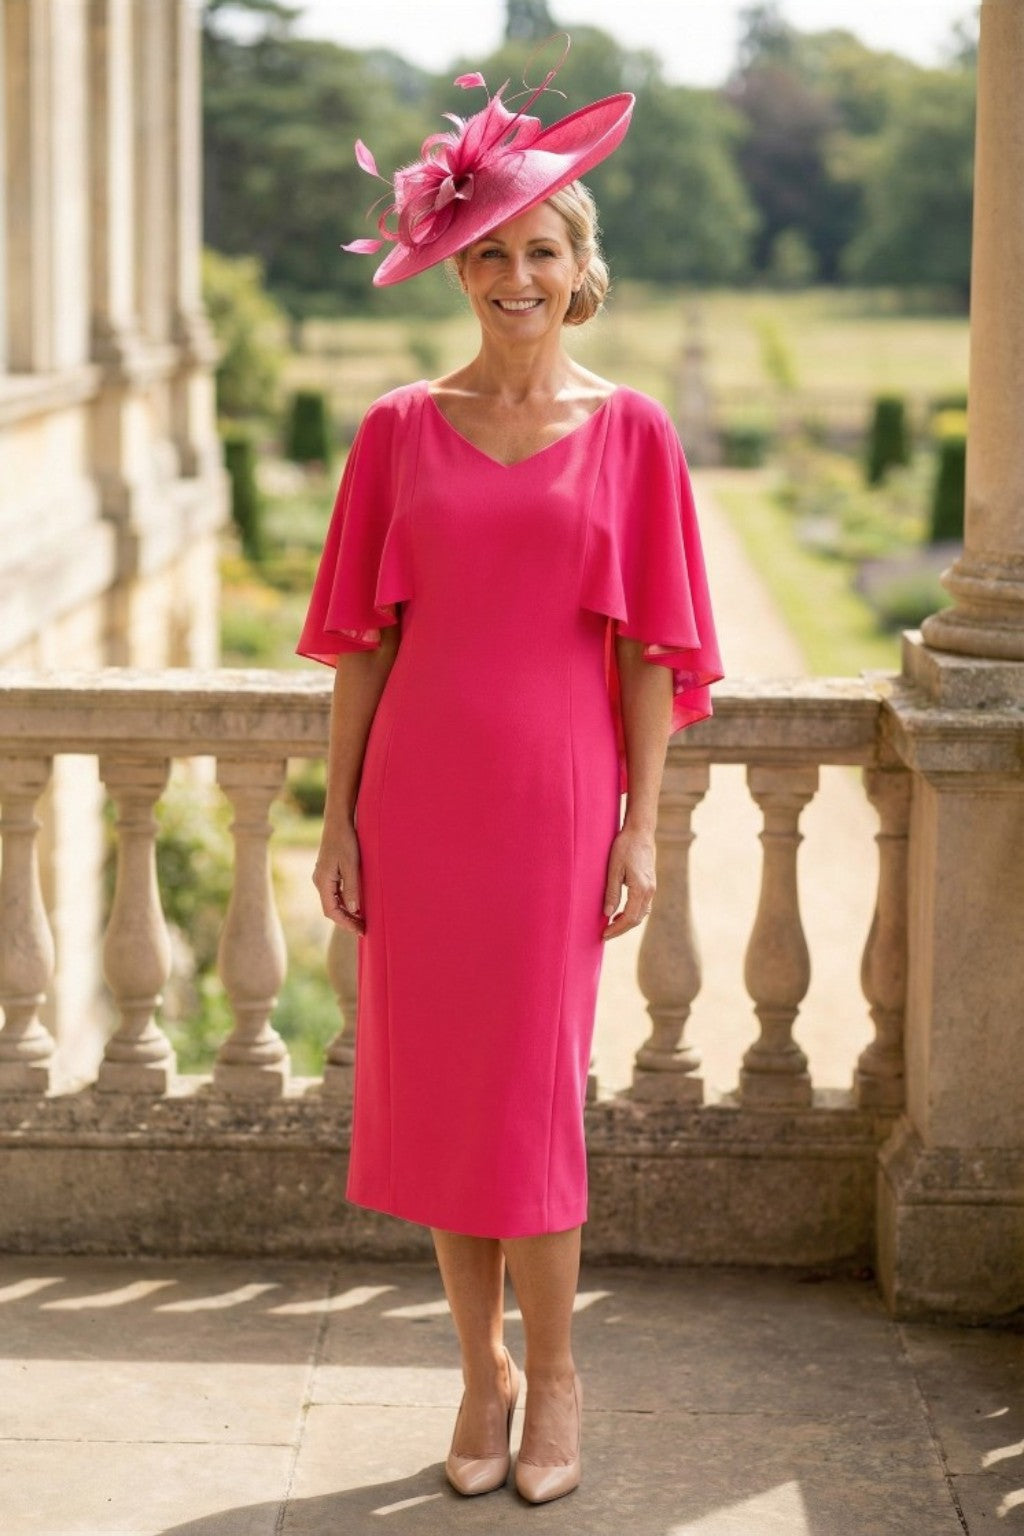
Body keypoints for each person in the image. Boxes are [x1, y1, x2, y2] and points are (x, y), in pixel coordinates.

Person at [297, 45, 722, 1506]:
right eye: (488, 254)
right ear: (456, 269)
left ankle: (557, 1378)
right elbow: (360, 646)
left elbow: (652, 662)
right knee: (440, 1104)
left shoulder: (635, 435)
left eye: (539, 250)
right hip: (417, 809)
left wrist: (640, 831)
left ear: (578, 265)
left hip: (553, 811)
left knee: (530, 1102)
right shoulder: (397, 432)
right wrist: (339, 819)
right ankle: (475, 1373)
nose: (514, 277)